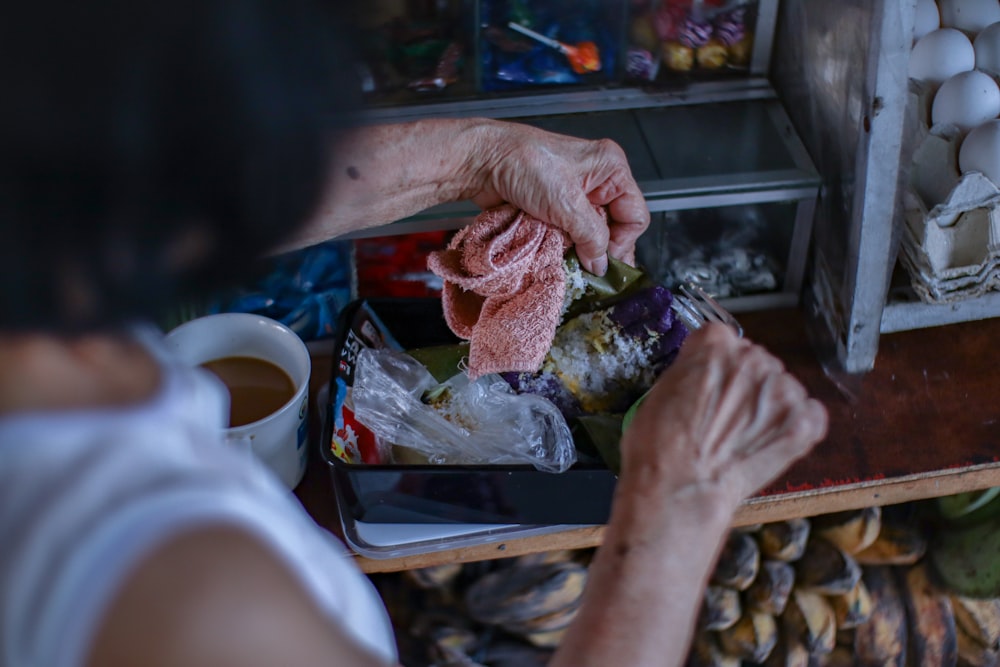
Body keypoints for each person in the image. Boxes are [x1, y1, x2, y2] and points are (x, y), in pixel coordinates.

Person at [0, 2, 829, 666]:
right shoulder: (198, 600)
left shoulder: (46, 270)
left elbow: (188, 199)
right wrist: (677, 507)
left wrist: (481, 155)